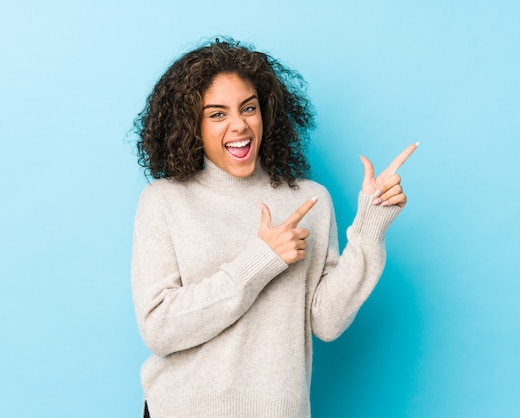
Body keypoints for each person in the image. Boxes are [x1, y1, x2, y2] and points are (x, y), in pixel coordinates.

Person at [131, 37, 417, 418]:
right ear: (191, 125)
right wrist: (261, 260)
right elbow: (159, 328)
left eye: (248, 108)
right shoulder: (164, 201)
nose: (239, 125)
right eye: (217, 114)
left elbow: (326, 322)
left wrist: (370, 226)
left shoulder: (310, 201)